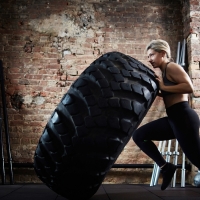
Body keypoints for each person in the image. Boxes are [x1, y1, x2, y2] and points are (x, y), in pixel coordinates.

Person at [132, 39, 200, 190]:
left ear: (162, 53)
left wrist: (162, 86)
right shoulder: (164, 71)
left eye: (152, 55)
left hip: (184, 118)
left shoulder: (171, 67)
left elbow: (189, 87)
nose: (149, 59)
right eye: (148, 56)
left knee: (196, 157)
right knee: (139, 135)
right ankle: (166, 167)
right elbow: (173, 93)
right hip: (174, 119)